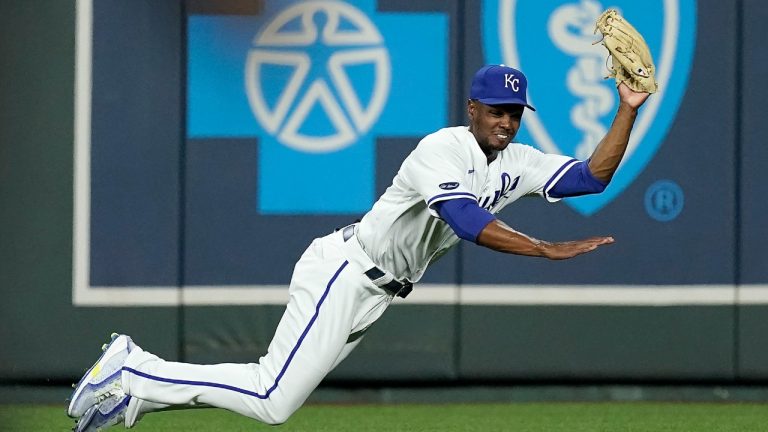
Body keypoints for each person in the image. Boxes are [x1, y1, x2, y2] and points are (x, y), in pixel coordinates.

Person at [67, 64, 650, 430]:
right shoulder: (439, 151)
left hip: (375, 293)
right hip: (346, 274)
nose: (506, 121)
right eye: (496, 109)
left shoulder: (517, 161)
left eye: (515, 113)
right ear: (471, 109)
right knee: (272, 398)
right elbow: (467, 221)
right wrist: (545, 250)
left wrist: (625, 110)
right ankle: (133, 370)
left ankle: (133, 394)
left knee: (273, 391)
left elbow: (591, 176)